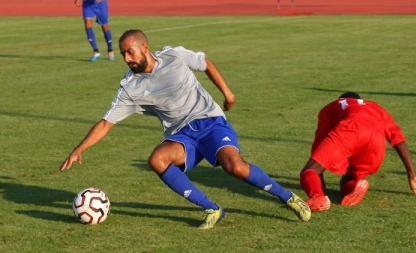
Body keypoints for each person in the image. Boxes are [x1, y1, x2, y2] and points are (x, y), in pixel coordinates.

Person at [59, 29, 311, 229]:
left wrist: (228, 93)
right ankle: (213, 209)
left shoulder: (173, 56)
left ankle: (288, 197)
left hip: (210, 122)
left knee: (235, 167)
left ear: (144, 47)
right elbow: (106, 123)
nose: (127, 59)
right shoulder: (130, 88)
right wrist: (79, 148)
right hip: (182, 136)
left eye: (130, 52)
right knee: (157, 160)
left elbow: (206, 63)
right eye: (123, 54)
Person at [299, 92, 416, 212]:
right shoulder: (376, 107)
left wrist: (318, 183)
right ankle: (356, 185)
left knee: (309, 171)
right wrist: (412, 174)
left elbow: (319, 145)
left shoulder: (333, 106)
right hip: (376, 139)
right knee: (349, 178)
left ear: (341, 99)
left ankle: (318, 198)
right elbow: (398, 140)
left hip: (351, 129)